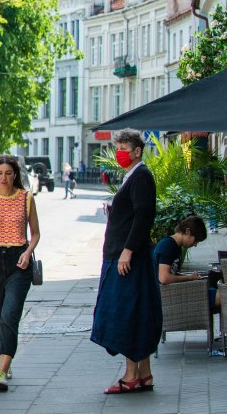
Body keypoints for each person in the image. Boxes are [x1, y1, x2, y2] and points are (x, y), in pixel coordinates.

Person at [90, 128, 162, 394]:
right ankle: (144, 373)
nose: (118, 152)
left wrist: (127, 250)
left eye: (122, 147)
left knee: (126, 313)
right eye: (116, 147)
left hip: (127, 258)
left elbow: (144, 215)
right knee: (137, 311)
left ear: (136, 150)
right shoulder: (134, 176)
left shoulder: (141, 176)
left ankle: (131, 375)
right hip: (124, 255)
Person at [0, 154, 40, 392]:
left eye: (8, 173)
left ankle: (2, 369)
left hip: (19, 262)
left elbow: (35, 234)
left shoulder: (26, 198)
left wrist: (27, 252)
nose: (4, 178)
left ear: (15, 175)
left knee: (9, 315)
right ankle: (5, 352)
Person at [153, 215, 221, 311]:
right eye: (195, 240)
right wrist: (189, 278)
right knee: (221, 296)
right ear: (187, 231)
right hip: (168, 297)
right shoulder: (167, 246)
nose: (195, 245)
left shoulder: (175, 246)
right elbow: (164, 278)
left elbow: (172, 273)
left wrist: (191, 278)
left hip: (173, 291)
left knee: (216, 291)